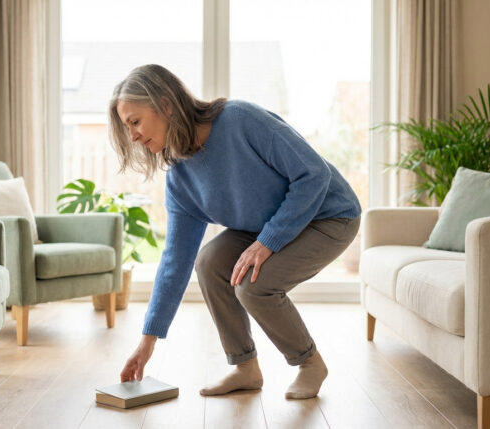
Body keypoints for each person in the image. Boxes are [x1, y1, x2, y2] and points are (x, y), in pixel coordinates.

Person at [109, 64, 361, 399]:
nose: (133, 136)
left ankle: (310, 363)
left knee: (255, 285)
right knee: (209, 262)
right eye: (127, 128)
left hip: (329, 215)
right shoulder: (180, 180)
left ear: (166, 104)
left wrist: (267, 242)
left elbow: (314, 174)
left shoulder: (241, 119)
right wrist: (146, 342)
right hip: (271, 223)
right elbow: (174, 263)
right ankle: (245, 368)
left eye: (135, 122)